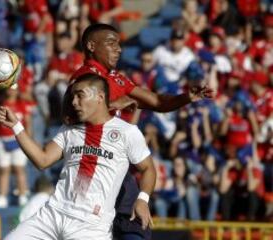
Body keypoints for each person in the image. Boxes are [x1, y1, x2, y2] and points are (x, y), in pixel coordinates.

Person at [64, 23, 213, 239]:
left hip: (114, 163)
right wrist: (115, 104)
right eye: (111, 43)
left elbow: (157, 101)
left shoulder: (116, 78)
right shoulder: (82, 78)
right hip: (88, 166)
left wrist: (185, 97)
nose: (119, 49)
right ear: (91, 45)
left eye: (119, 44)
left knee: (137, 225)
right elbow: (72, 115)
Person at [2, 73, 156, 239]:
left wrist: (143, 199)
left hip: (90, 226)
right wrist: (16, 126)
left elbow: (148, 168)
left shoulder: (127, 132)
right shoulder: (70, 130)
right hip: (53, 213)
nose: (74, 102)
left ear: (100, 97)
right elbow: (42, 160)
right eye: (73, 96)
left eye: (80, 95)